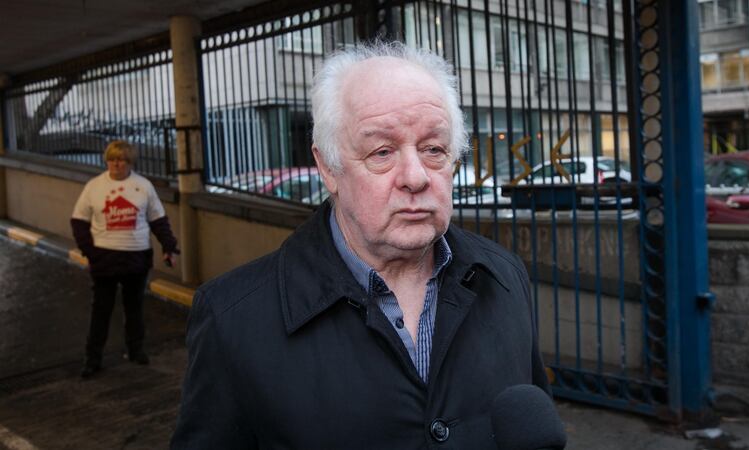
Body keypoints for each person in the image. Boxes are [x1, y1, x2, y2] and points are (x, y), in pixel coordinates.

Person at [172, 41, 551, 449]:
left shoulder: (506, 277)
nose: (415, 177)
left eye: (433, 149)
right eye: (382, 152)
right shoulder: (233, 319)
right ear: (328, 168)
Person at [71, 140, 179, 378]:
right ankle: (92, 358)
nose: (116, 164)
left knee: (135, 308)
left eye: (121, 160)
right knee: (101, 310)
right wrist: (91, 251)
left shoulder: (143, 186)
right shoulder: (94, 187)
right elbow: (79, 222)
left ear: (130, 162)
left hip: (136, 258)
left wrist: (168, 246)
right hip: (105, 260)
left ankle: (136, 350)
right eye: (112, 159)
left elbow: (158, 221)